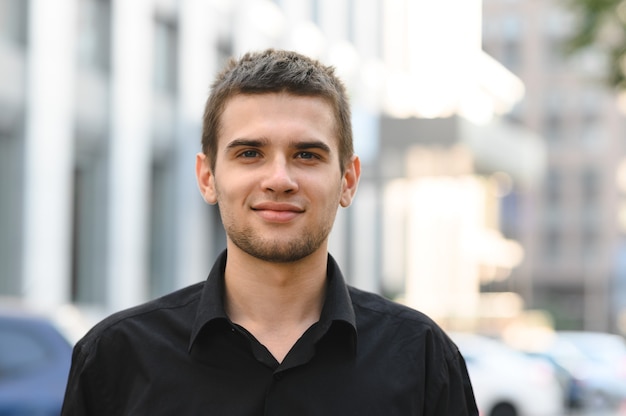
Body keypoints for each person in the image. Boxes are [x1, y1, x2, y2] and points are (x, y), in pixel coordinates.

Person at [61, 49, 478, 415]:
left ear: (348, 180)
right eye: (249, 153)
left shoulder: (422, 358)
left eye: (307, 155)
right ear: (207, 177)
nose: (279, 179)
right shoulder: (116, 357)